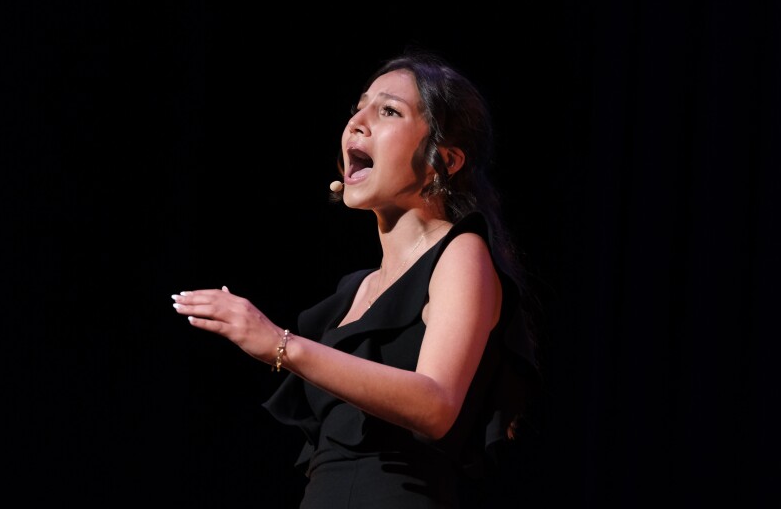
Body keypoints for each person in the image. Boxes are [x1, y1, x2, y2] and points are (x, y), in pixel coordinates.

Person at [171, 48, 540, 508]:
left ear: (443, 160)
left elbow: (436, 405)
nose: (357, 123)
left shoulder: (460, 252)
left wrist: (282, 345)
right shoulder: (354, 290)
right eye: (357, 108)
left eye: (388, 110)